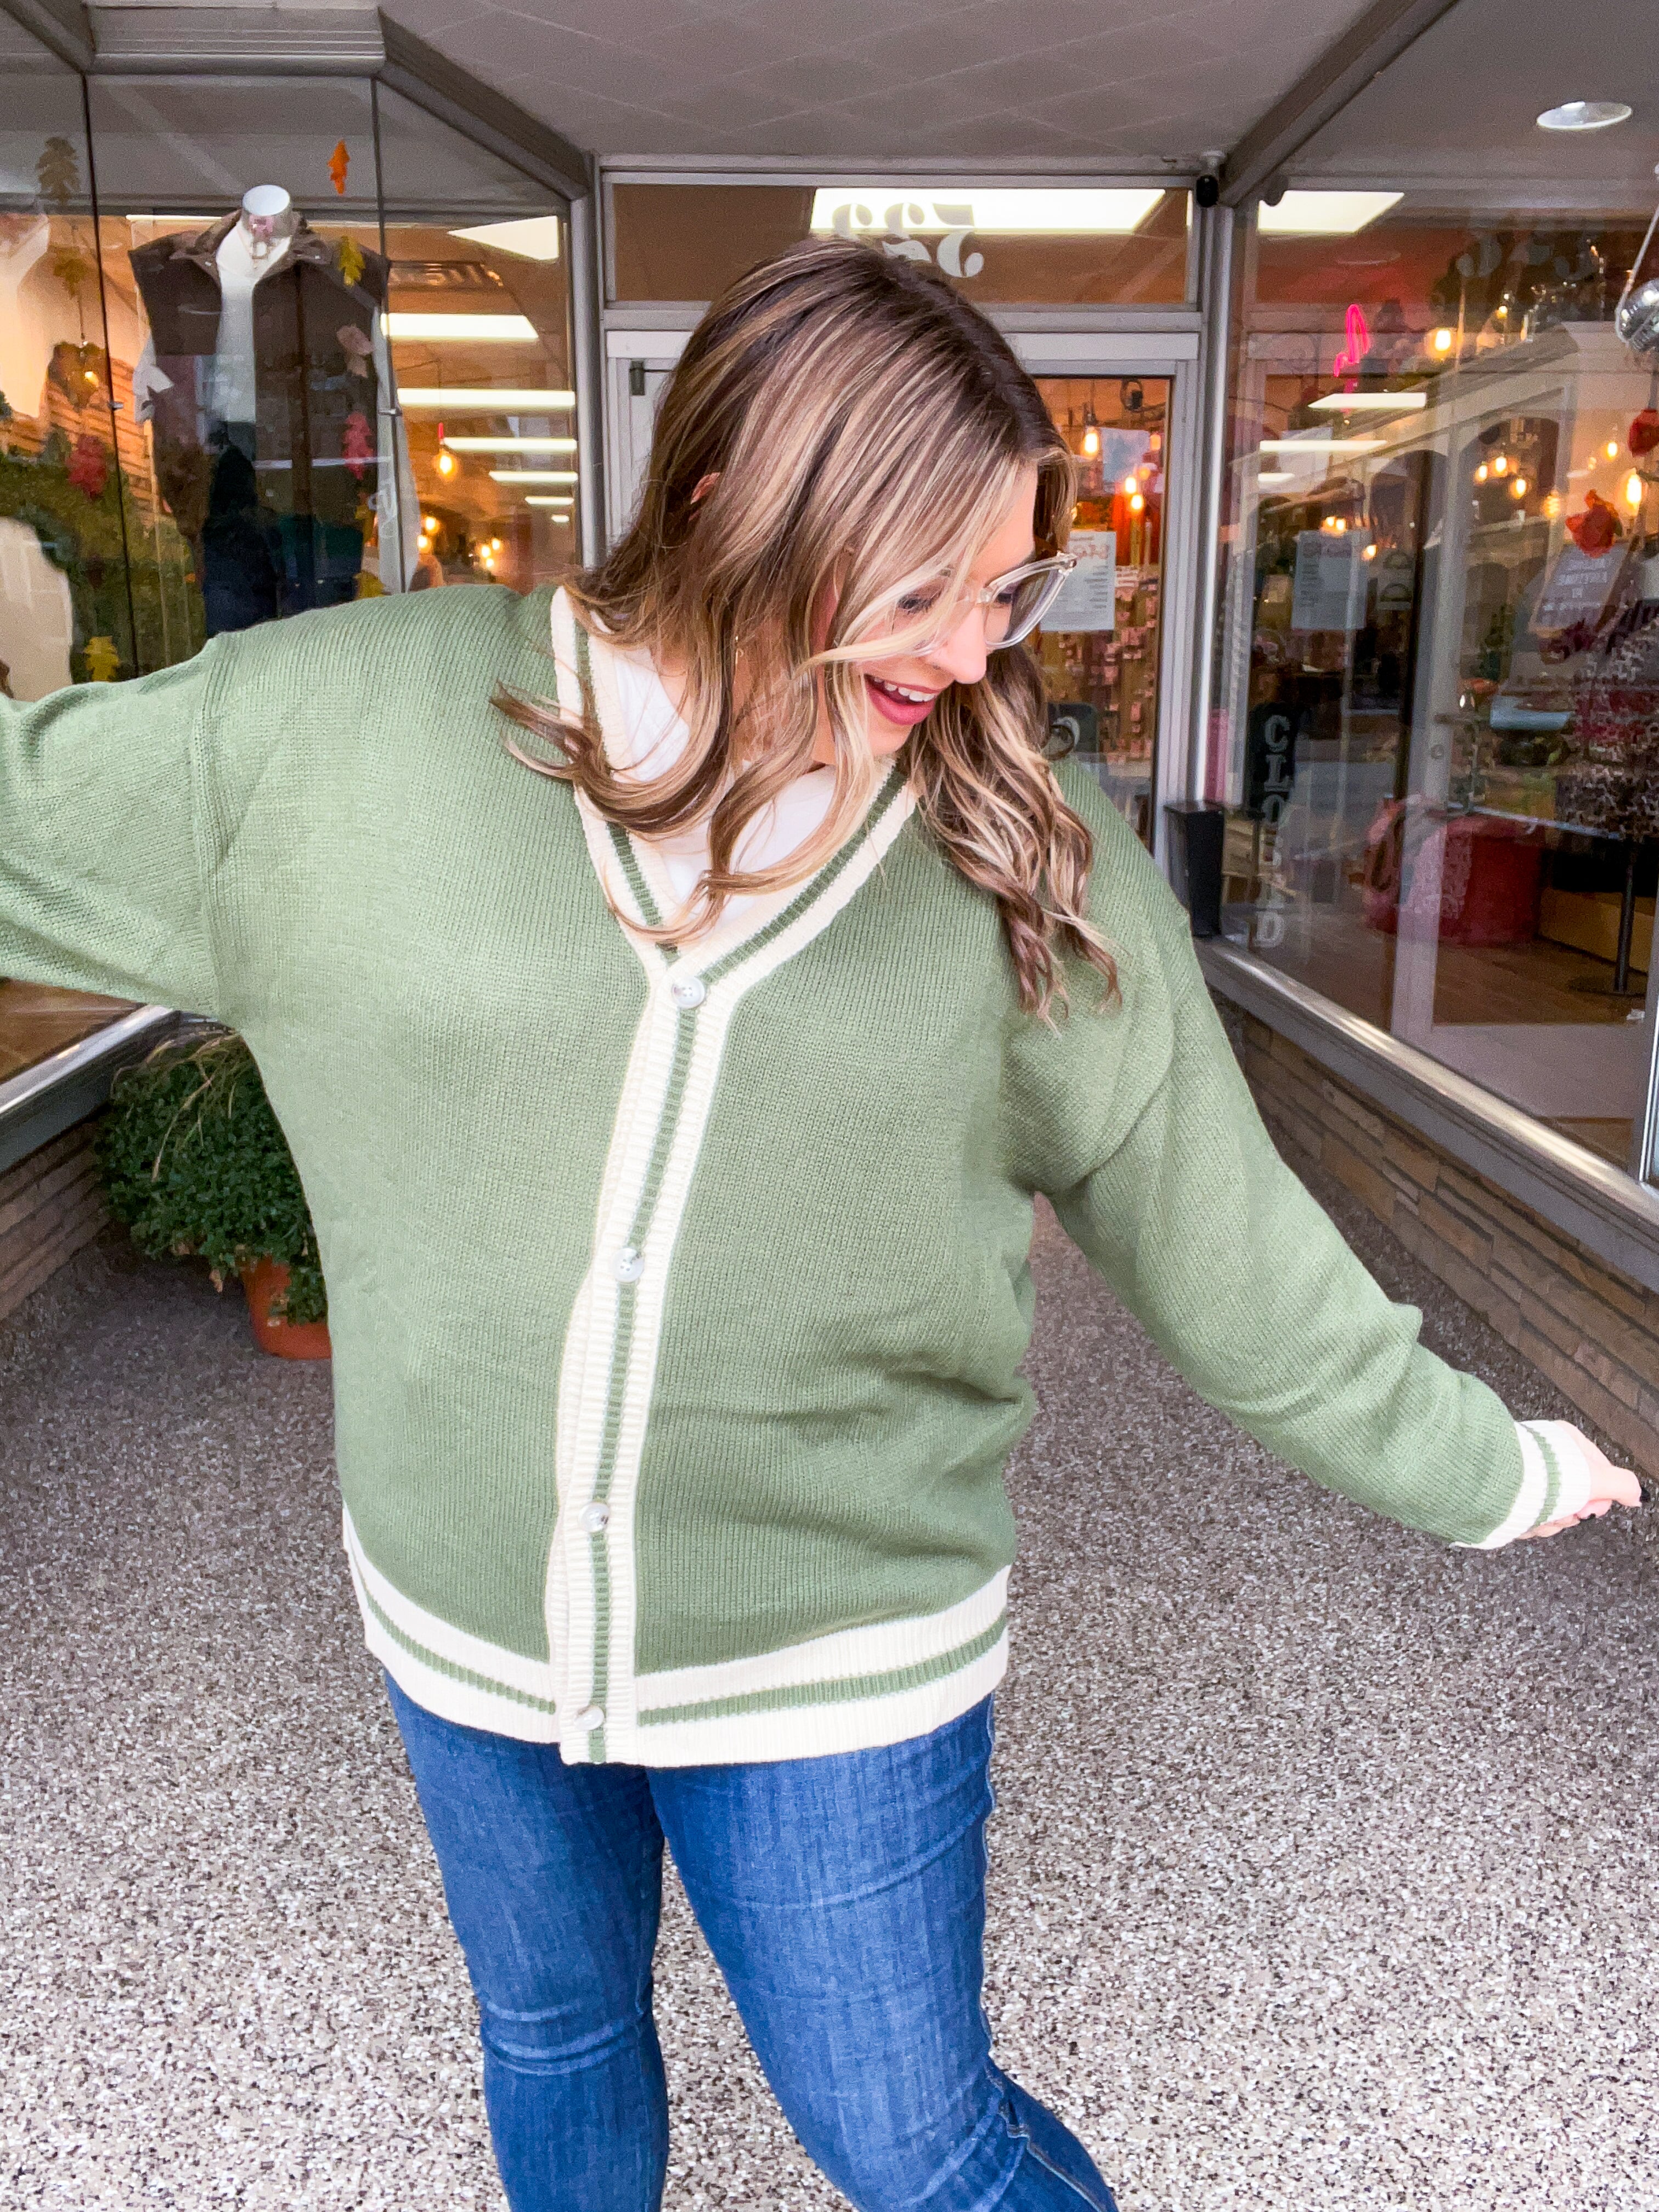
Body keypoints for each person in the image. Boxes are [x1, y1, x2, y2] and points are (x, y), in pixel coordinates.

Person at [0, 238, 1638, 2212]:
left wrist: (1482, 1464)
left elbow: (1230, 1253)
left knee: (914, 2146)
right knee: (554, 2044)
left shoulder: (1023, 850)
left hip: (841, 1650)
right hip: (463, 1625)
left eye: (1005, 585)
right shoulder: (324, 742)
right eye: (920, 587)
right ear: (725, 508)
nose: (968, 652)